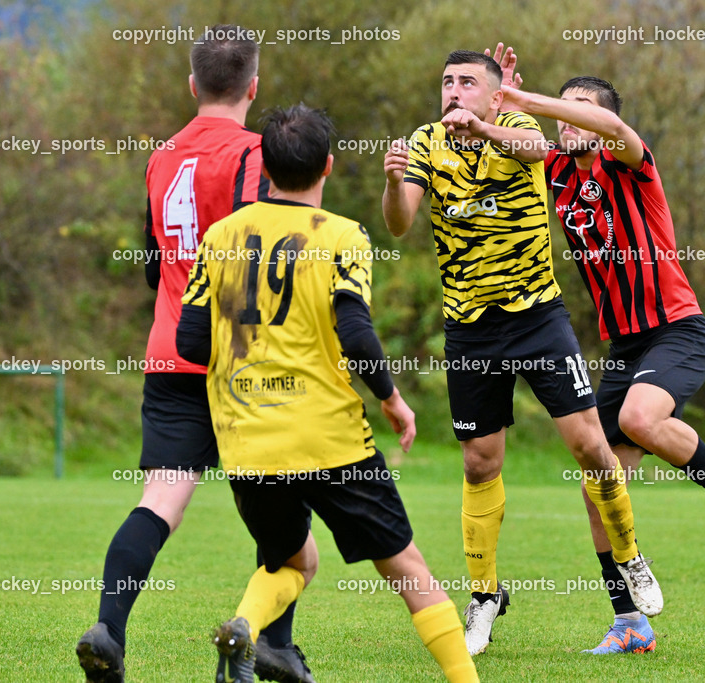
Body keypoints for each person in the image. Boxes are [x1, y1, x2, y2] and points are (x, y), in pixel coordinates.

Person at [175, 103, 479, 683]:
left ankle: (244, 629)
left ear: (263, 165)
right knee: (409, 569)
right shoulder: (341, 235)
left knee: (293, 559)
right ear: (329, 167)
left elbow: (191, 342)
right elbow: (354, 328)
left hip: (248, 440)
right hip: (328, 437)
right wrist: (391, 397)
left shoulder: (219, 237)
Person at [381, 49, 662, 657]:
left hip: (536, 316)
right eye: (447, 82)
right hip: (470, 328)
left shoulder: (521, 128)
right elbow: (401, 222)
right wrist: (391, 182)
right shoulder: (425, 142)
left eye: (468, 83)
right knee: (479, 463)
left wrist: (489, 126)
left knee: (591, 446)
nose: (455, 91)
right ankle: (484, 595)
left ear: (495, 92)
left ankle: (631, 555)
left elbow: (537, 153)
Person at [75, 25, 312, 683]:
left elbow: (154, 264)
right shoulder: (256, 155)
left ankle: (109, 629)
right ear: (254, 86)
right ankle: (271, 642)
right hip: (242, 360)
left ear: (191, 83)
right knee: (280, 508)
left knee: (160, 501)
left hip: (171, 354)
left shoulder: (161, 156)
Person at [498, 66, 705, 654]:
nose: (568, 116)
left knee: (639, 420)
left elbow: (611, 125)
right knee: (599, 485)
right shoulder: (554, 168)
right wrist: (486, 104)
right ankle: (630, 623)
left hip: (677, 330)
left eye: (578, 107)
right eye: (563, 108)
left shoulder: (629, 163)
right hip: (625, 345)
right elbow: (511, 141)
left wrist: (530, 98)